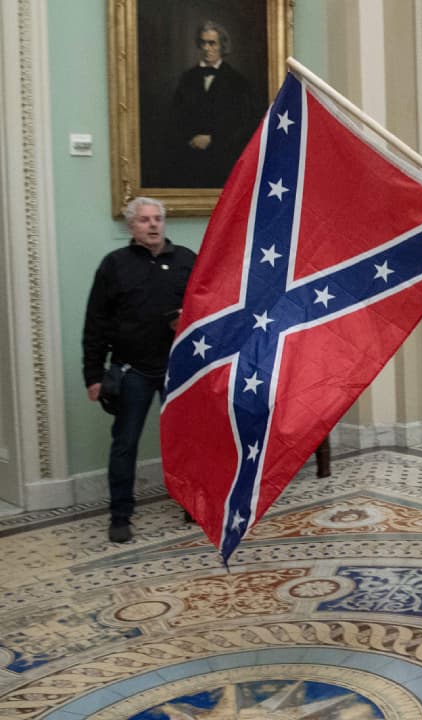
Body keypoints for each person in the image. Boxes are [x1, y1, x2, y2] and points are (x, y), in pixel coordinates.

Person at [82, 197, 196, 542]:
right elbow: (96, 322)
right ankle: (120, 515)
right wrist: (93, 375)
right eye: (144, 220)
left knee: (186, 440)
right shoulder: (114, 264)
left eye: (157, 218)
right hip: (133, 370)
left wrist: (187, 319)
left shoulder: (186, 260)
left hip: (178, 368)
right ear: (131, 226)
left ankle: (192, 503)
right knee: (125, 443)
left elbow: (207, 307)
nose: (153, 225)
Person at [165, 20, 260, 188]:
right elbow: (175, 118)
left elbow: (246, 123)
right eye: (203, 43)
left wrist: (213, 140)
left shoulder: (237, 81)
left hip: (223, 162)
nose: (206, 48)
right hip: (189, 161)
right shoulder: (187, 78)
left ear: (222, 46)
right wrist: (191, 139)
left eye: (212, 43)